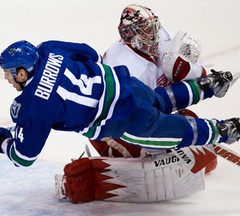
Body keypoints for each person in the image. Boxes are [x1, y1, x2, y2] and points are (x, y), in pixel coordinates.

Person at [0, 39, 239, 168]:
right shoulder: (47, 49)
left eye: (10, 73)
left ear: (22, 72)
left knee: (175, 132)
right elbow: (89, 53)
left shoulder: (33, 106)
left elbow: (24, 157)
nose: (8, 79)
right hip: (127, 84)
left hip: (124, 120)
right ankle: (207, 85)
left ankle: (225, 130)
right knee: (160, 100)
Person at [89, 4, 225, 174]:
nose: (153, 35)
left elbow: (178, 69)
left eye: (153, 28)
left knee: (200, 151)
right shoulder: (127, 67)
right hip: (113, 129)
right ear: (132, 35)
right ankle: (124, 160)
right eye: (146, 31)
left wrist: (202, 75)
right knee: (171, 154)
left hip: (145, 108)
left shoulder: (154, 38)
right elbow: (142, 117)